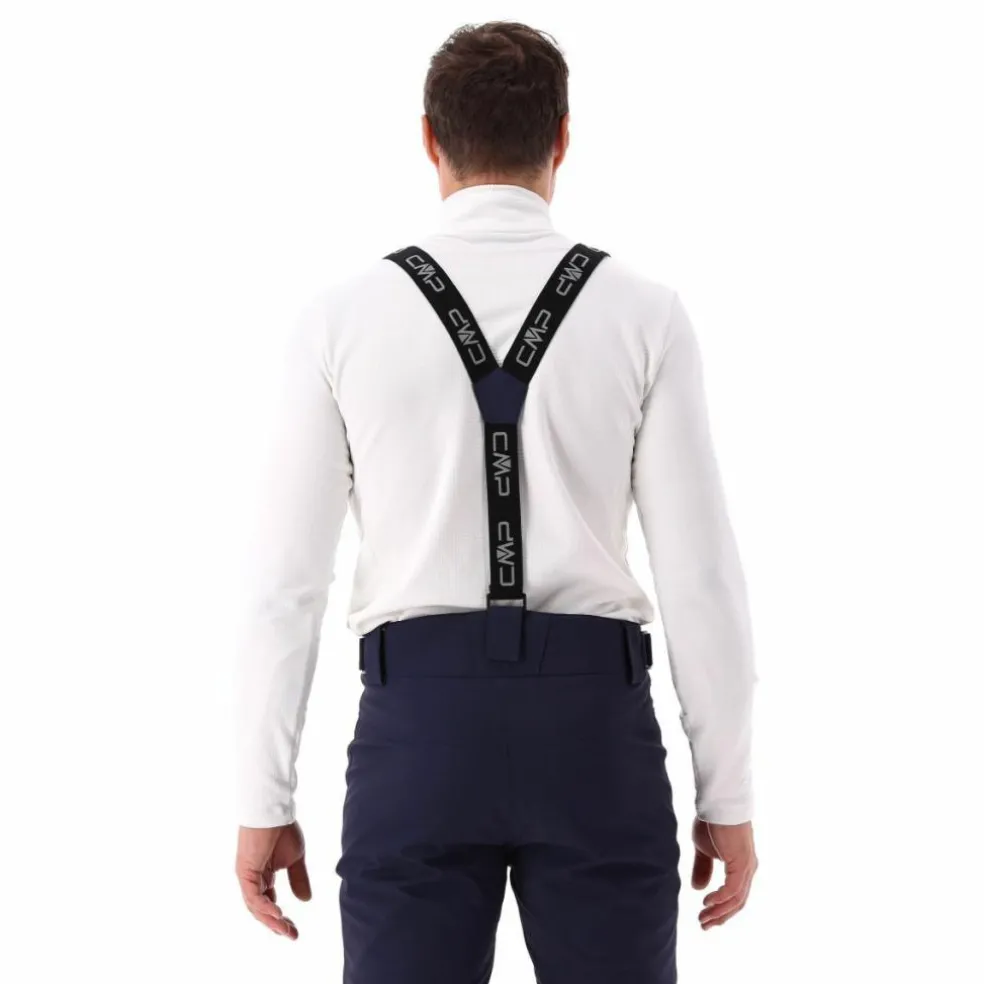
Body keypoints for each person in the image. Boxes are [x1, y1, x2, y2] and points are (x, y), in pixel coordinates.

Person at [234, 20, 758, 983]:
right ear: (563, 137)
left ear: (429, 140)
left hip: (417, 734)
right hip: (594, 734)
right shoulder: (645, 313)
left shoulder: (339, 319)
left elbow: (285, 586)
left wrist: (262, 797)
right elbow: (701, 577)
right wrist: (727, 791)